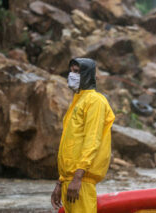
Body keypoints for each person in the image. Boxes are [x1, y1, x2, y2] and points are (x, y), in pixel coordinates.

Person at [51, 58, 115, 213]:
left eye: (77, 72)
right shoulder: (78, 101)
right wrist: (61, 182)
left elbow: (92, 140)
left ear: (87, 75)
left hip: (81, 180)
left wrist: (78, 177)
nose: (72, 75)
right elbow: (71, 144)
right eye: (71, 71)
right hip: (70, 180)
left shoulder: (94, 101)